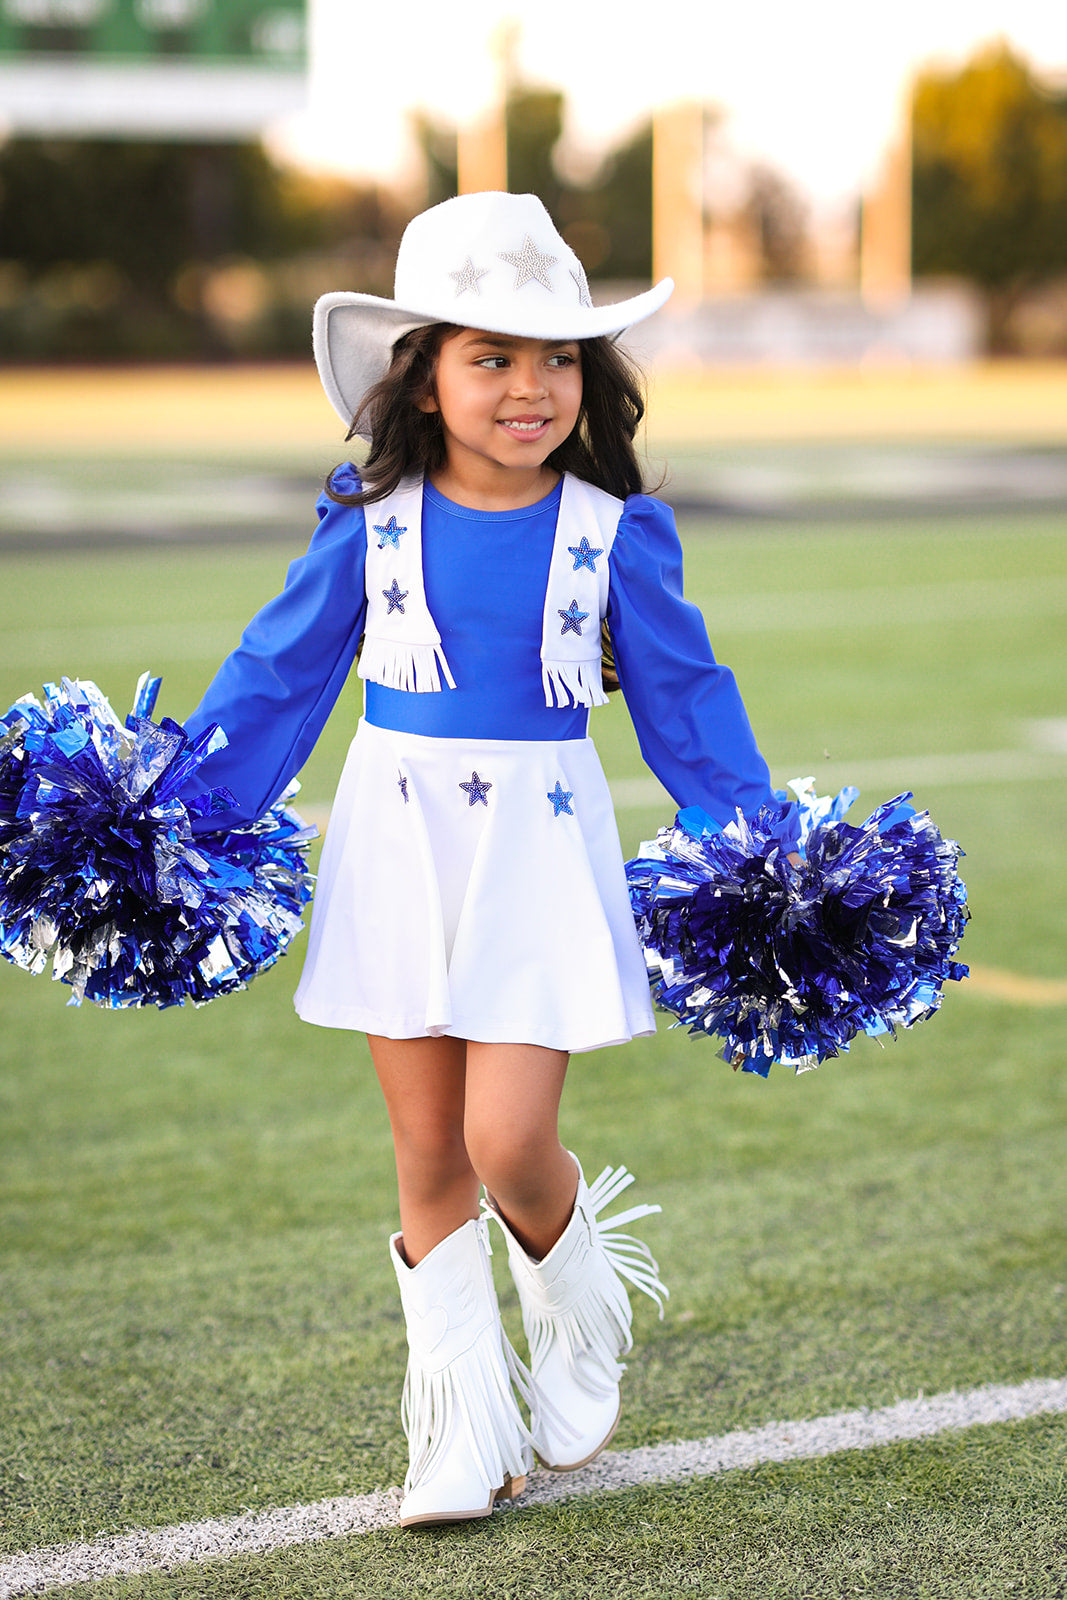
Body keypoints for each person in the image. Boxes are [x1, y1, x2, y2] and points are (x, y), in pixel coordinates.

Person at [181, 191, 801, 1528]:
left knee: (510, 1141)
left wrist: (754, 840)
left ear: (594, 378)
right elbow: (278, 679)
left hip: (539, 853)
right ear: (423, 376)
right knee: (426, 1165)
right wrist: (181, 813)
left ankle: (578, 1308)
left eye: (558, 358)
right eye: (491, 356)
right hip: (402, 851)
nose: (530, 388)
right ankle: (462, 1433)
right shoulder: (370, 517)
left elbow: (689, 700)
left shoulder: (613, 530)